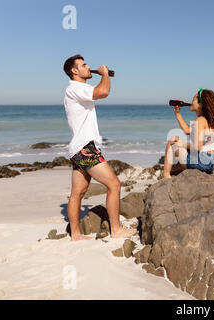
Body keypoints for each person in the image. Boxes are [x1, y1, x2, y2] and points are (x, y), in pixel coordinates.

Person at [63, 54, 136, 241]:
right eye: (84, 65)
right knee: (114, 184)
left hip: (79, 148)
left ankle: (76, 235)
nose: (88, 67)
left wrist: (103, 77)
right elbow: (103, 92)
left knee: (77, 193)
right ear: (74, 70)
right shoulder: (75, 88)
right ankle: (116, 230)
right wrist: (105, 74)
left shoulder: (80, 89)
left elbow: (97, 92)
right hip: (85, 149)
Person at [163, 88, 214, 179]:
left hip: (201, 163)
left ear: (200, 105)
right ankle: (176, 169)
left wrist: (182, 143)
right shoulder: (212, 123)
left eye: (194, 99)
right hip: (211, 164)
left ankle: (166, 175)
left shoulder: (200, 121)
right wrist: (178, 114)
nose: (191, 101)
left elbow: (197, 147)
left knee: (172, 142)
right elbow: (187, 130)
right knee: (187, 150)